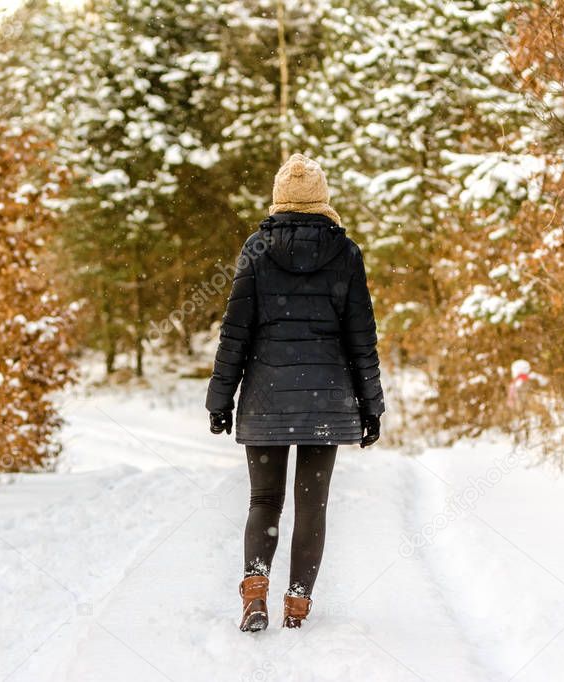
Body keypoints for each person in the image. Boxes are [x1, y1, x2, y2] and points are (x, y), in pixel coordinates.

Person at [206, 153, 385, 632]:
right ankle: (297, 606)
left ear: (279, 198)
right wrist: (372, 406)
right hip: (326, 400)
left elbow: (235, 333)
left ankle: (255, 595)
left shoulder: (257, 249)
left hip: (266, 398)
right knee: (312, 504)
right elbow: (361, 337)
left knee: (264, 501)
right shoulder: (345, 253)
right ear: (322, 199)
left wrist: (220, 399)